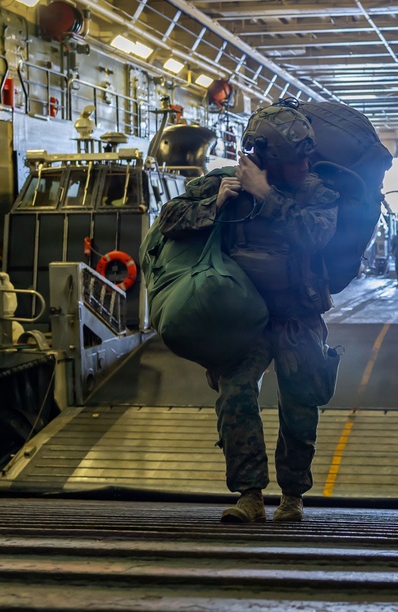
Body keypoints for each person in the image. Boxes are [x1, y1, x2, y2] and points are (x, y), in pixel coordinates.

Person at [157, 100, 339, 524]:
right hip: (244, 320)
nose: (306, 164)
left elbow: (316, 236)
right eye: (297, 158)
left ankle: (292, 497)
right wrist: (214, 205)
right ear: (268, 156)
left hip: (296, 317)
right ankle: (250, 495)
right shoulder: (225, 183)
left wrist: (265, 194)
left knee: (300, 408)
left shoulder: (318, 192)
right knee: (235, 400)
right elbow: (169, 219)